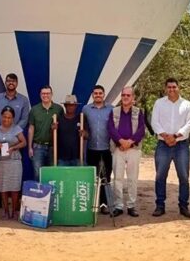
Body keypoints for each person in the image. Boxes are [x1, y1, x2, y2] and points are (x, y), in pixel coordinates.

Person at [150, 78, 190, 218]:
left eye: (174, 87)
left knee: (184, 176)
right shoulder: (159, 103)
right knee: (160, 176)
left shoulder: (187, 104)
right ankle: (160, 205)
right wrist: (165, 136)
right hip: (163, 144)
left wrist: (175, 136)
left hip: (181, 144)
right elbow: (154, 122)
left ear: (178, 87)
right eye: (169, 87)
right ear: (165, 88)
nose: (171, 89)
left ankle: (183, 206)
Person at [108, 86, 145, 217]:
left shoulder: (138, 112)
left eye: (128, 95)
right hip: (118, 149)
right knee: (117, 178)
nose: (125, 97)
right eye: (123, 95)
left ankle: (131, 205)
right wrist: (121, 142)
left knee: (132, 178)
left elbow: (141, 129)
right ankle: (118, 205)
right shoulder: (114, 111)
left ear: (133, 98)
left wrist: (129, 142)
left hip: (133, 149)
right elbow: (111, 129)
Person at [82, 85, 113, 214]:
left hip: (107, 148)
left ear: (104, 95)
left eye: (100, 93)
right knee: (93, 178)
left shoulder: (111, 109)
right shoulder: (86, 109)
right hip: (92, 148)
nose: (98, 95)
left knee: (106, 177)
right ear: (92, 95)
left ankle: (104, 204)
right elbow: (84, 126)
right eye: (96, 93)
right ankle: (93, 203)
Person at [0, 106, 27, 219]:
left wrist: (13, 147)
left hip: (14, 161)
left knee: (15, 186)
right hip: (1, 162)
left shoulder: (16, 129)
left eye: (9, 117)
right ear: (1, 117)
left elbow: (24, 142)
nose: (6, 119)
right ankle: (6, 211)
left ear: (12, 118)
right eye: (4, 117)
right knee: (3, 187)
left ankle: (14, 211)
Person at [28, 86, 63, 178]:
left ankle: (52, 193)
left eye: (48, 93)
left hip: (53, 147)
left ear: (52, 95)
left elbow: (63, 127)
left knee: (53, 174)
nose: (45, 95)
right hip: (38, 147)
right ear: (40, 95)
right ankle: (39, 192)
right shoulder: (34, 110)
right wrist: (30, 147)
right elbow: (31, 128)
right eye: (43, 93)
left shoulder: (58, 109)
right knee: (38, 174)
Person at [55, 95, 82, 166]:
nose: (70, 107)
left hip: (77, 156)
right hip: (62, 157)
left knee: (77, 177)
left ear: (76, 106)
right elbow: (53, 136)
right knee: (62, 177)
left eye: (72, 105)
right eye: (68, 105)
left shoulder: (81, 118)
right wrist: (53, 129)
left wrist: (84, 133)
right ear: (65, 106)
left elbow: (87, 135)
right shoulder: (58, 119)